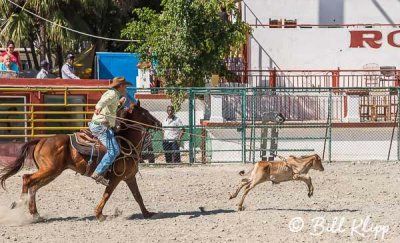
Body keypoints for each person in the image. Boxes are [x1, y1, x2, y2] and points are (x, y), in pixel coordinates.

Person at [89, 76, 131, 186]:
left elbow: (110, 108)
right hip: (100, 126)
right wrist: (98, 106)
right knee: (114, 150)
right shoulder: (112, 94)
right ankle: (98, 172)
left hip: (102, 125)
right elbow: (104, 101)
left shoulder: (115, 95)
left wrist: (119, 104)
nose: (126, 88)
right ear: (120, 86)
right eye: (125, 86)